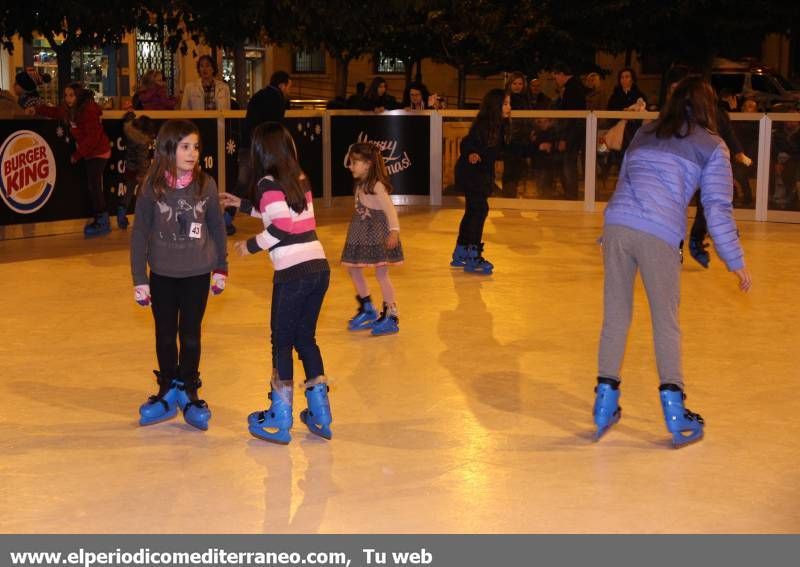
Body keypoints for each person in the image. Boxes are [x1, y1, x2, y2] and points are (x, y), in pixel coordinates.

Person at [593, 76, 752, 448]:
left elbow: (624, 180)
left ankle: (604, 404)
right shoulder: (713, 146)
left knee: (616, 315)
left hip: (618, 225)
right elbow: (717, 209)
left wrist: (610, 230)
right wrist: (735, 260)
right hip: (657, 233)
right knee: (666, 322)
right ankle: (675, 411)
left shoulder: (647, 131)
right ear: (707, 105)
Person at [219, 122, 332, 444]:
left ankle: (280, 417)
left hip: (293, 273)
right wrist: (240, 204)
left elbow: (280, 226)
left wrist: (250, 245)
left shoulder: (268, 183)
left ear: (261, 151)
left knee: (281, 343)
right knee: (306, 340)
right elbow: (285, 215)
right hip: (318, 267)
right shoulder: (298, 179)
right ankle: (320, 412)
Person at [131, 119, 228, 431]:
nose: (193, 153)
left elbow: (217, 227)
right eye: (185, 147)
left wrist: (221, 267)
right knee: (163, 333)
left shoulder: (206, 185)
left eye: (196, 147)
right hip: (162, 273)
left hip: (197, 272)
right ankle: (167, 387)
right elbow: (139, 234)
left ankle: (189, 388)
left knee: (190, 333)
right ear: (167, 149)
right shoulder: (151, 187)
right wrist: (139, 278)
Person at [33, 82, 113, 237]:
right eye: (66, 95)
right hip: (90, 152)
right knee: (93, 186)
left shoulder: (87, 111)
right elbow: (56, 112)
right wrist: (36, 109)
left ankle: (103, 222)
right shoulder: (70, 110)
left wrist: (77, 155)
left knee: (94, 186)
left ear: (78, 95)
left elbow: (93, 138)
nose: (68, 99)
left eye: (72, 95)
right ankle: (101, 220)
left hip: (98, 152)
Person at [341, 142, 404, 336]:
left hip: (378, 235)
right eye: (350, 162)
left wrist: (394, 231)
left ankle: (391, 315)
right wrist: (353, 152)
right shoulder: (361, 182)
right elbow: (346, 162)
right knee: (353, 269)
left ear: (368, 164)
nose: (350, 166)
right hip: (361, 233)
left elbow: (390, 210)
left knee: (381, 274)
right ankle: (368, 307)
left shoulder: (377, 185)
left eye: (354, 162)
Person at [688, 89, 754, 267]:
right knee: (680, 206)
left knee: (710, 204)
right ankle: (688, 241)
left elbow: (729, 134)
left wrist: (739, 153)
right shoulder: (686, 114)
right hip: (688, 166)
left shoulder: (718, 115)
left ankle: (702, 239)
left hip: (712, 167)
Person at [450, 89, 511, 274]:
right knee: (479, 210)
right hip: (470, 173)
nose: (509, 107)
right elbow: (466, 143)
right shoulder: (484, 125)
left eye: (509, 104)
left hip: (477, 173)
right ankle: (472, 256)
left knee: (472, 211)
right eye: (506, 104)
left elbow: (498, 152)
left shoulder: (498, 125)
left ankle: (461, 252)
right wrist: (471, 153)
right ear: (495, 106)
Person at [229, 71, 293, 236]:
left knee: (243, 182)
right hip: (262, 149)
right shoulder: (277, 98)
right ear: (281, 85)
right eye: (289, 87)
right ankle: (280, 215)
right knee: (274, 181)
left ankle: (226, 217)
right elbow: (274, 127)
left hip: (246, 145)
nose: (289, 92)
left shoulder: (258, 95)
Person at [552, 62, 586, 200]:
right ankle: (570, 193)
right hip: (576, 131)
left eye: (555, 77)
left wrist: (564, 138)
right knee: (569, 163)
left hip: (572, 132)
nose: (555, 80)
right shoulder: (576, 86)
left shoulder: (571, 89)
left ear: (561, 74)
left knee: (568, 163)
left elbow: (569, 117)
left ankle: (571, 195)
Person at [117, 111, 156, 229]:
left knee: (128, 193)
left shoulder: (129, 132)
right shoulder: (143, 142)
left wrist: (129, 116)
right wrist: (142, 174)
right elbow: (142, 160)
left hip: (129, 169)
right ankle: (143, 219)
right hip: (139, 172)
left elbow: (127, 123)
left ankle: (121, 213)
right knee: (143, 195)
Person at [502, 71, 531, 198]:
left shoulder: (525, 98)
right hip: (510, 138)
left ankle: (513, 194)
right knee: (510, 168)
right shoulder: (507, 98)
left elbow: (528, 118)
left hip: (522, 138)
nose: (517, 86)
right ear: (509, 84)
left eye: (520, 83)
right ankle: (508, 195)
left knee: (518, 168)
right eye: (514, 83)